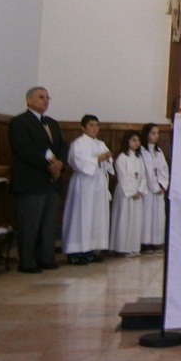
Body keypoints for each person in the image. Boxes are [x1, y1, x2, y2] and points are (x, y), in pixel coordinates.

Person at [8, 86, 66, 273]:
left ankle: (45, 258)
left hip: (52, 182)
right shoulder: (20, 122)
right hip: (31, 181)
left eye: (48, 97)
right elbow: (24, 150)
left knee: (48, 223)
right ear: (29, 100)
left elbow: (61, 147)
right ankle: (27, 262)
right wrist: (49, 165)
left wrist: (60, 163)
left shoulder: (52, 123)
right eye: (41, 97)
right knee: (29, 224)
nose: (45, 100)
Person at [61, 114, 113, 266]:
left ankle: (90, 250)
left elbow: (108, 163)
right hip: (83, 183)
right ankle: (75, 252)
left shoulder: (101, 144)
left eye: (97, 125)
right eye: (91, 125)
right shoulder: (78, 144)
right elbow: (77, 163)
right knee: (80, 215)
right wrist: (97, 159)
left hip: (98, 183)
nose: (95, 128)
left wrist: (107, 158)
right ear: (83, 127)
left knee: (95, 216)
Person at [110, 131, 146, 257]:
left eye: (138, 140)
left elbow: (143, 176)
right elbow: (122, 177)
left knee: (136, 220)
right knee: (124, 219)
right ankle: (122, 248)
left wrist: (140, 190)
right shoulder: (122, 158)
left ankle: (133, 247)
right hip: (125, 193)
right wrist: (131, 192)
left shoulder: (139, 158)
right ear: (127, 141)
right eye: (134, 140)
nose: (137, 143)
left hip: (137, 193)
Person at [139, 123, 169, 253]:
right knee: (147, 215)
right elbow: (147, 170)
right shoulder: (142, 151)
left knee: (158, 215)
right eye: (153, 133)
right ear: (146, 134)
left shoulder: (158, 151)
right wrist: (155, 187)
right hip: (147, 188)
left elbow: (164, 169)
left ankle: (155, 241)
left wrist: (162, 184)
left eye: (158, 133)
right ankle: (145, 243)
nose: (156, 136)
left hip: (158, 189)